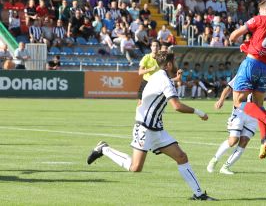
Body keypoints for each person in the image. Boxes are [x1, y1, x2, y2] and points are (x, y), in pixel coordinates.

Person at [87, 52, 216, 201]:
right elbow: (177, 106)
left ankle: (199, 195)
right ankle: (104, 148)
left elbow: (162, 86)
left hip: (157, 129)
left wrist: (175, 79)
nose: (176, 65)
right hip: (144, 127)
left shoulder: (159, 76)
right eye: (174, 62)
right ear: (168, 65)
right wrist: (199, 113)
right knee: (136, 167)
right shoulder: (164, 80)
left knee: (181, 156)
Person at [229, 0, 266, 158]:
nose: (259, 13)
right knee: (258, 104)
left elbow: (234, 36)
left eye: (261, 11)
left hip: (252, 63)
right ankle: (264, 141)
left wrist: (234, 38)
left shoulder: (259, 19)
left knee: (238, 102)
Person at [208, 76, 266, 175]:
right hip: (240, 111)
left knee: (244, 142)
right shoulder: (245, 71)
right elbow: (229, 87)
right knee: (232, 141)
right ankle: (214, 159)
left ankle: (226, 167)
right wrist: (221, 99)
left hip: (254, 115)